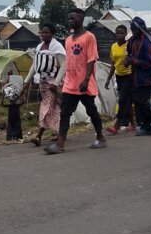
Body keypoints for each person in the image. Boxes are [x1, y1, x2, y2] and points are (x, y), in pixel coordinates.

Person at [44, 8, 106, 154]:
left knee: (91, 111)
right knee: (65, 113)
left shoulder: (89, 37)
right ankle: (60, 144)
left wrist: (86, 79)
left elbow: (91, 59)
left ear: (81, 19)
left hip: (84, 83)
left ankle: (101, 137)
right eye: (69, 19)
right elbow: (69, 61)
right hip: (70, 83)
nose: (70, 21)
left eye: (74, 18)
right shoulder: (68, 40)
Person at [22, 23, 66, 147]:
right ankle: (60, 132)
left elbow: (64, 65)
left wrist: (56, 83)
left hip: (53, 82)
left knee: (45, 106)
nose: (43, 34)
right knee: (54, 108)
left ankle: (38, 136)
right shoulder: (39, 46)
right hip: (42, 82)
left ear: (52, 34)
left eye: (46, 32)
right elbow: (34, 66)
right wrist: (26, 81)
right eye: (42, 32)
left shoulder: (57, 47)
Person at [125, 17, 151, 135]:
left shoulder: (148, 43)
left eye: (134, 29)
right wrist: (127, 61)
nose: (133, 32)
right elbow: (129, 55)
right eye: (132, 29)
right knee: (138, 101)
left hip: (146, 77)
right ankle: (146, 126)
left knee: (141, 100)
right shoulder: (131, 41)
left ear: (140, 29)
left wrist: (133, 61)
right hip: (135, 76)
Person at [104, 24, 133, 135]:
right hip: (119, 76)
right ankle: (133, 123)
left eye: (121, 33)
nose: (119, 35)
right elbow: (113, 63)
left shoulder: (128, 45)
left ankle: (116, 125)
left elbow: (132, 59)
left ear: (126, 34)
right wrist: (108, 78)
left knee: (122, 100)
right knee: (126, 101)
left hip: (129, 75)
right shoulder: (113, 46)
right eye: (117, 33)